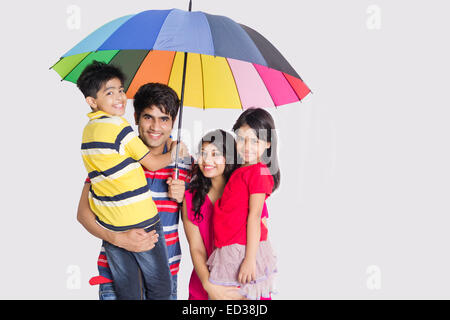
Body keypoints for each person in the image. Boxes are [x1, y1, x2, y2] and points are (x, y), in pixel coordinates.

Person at [76, 68, 189, 299]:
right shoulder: (113, 155)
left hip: (166, 269)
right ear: (136, 117)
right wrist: (119, 239)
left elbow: (200, 220)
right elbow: (83, 214)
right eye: (148, 117)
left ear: (173, 122)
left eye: (164, 119)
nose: (156, 127)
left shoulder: (186, 165)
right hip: (115, 278)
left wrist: (184, 197)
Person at [182, 129, 270, 300]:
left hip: (246, 281)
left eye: (215, 154)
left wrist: (246, 288)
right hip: (206, 285)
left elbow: (261, 238)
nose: (207, 160)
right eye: (203, 153)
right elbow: (197, 248)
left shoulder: (249, 190)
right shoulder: (191, 198)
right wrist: (210, 286)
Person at [206, 108, 280, 300]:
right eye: (241, 138)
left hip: (242, 249)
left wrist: (249, 260)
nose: (247, 146)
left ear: (269, 143)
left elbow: (255, 216)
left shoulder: (258, 171)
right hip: (231, 245)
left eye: (255, 141)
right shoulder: (242, 169)